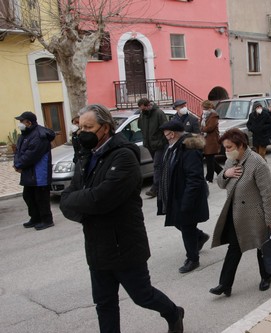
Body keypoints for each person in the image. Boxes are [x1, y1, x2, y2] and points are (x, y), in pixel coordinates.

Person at [59, 104, 184, 333]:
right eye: (80, 127)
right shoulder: (86, 156)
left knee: (143, 296)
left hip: (124, 245)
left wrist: (85, 204)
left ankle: (173, 312)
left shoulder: (124, 156)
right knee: (104, 303)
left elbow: (100, 199)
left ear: (105, 128)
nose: (81, 132)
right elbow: (67, 198)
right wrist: (84, 207)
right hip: (96, 245)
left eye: (88, 127)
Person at [209, 128, 271, 297]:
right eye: (225, 147)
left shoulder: (257, 163)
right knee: (234, 248)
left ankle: (266, 277)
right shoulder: (230, 162)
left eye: (229, 147)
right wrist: (226, 173)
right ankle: (224, 284)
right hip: (236, 214)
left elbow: (267, 193)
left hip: (256, 215)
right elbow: (220, 183)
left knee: (262, 247)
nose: (227, 151)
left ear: (241, 145)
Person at [157, 120, 210, 274]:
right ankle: (199, 237)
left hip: (185, 196)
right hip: (175, 194)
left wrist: (187, 202)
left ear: (171, 134)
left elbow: (194, 178)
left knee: (186, 226)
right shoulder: (173, 147)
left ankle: (193, 259)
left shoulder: (189, 149)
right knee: (179, 222)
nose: (164, 136)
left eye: (165, 133)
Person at [14, 111, 56, 231]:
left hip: (39, 173)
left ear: (29, 122)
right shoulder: (25, 134)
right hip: (29, 172)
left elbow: (32, 154)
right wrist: (16, 163)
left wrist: (19, 164)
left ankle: (47, 220)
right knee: (28, 196)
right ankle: (35, 218)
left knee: (41, 198)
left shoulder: (39, 135)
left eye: (22, 121)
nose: (20, 123)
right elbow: (18, 151)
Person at [137, 98, 168, 198]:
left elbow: (165, 128)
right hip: (149, 144)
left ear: (148, 105)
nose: (142, 110)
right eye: (140, 109)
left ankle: (155, 188)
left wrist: (162, 141)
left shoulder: (159, 113)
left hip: (159, 145)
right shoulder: (142, 115)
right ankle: (165, 184)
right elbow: (140, 127)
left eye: (143, 108)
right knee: (160, 166)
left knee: (157, 165)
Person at [200, 100, 223, 182]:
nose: (203, 109)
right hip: (205, 139)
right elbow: (201, 124)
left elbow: (210, 128)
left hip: (211, 140)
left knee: (209, 159)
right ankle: (221, 171)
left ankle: (209, 177)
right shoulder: (203, 115)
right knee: (210, 159)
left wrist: (201, 129)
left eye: (204, 108)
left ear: (209, 108)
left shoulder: (214, 115)